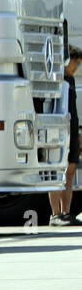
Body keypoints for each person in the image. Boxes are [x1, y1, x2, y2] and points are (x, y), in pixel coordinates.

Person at [49, 45, 81, 226]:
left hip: (72, 130)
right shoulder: (54, 79)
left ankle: (66, 212)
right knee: (55, 173)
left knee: (69, 173)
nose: (76, 67)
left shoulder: (71, 80)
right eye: (75, 62)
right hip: (58, 130)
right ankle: (55, 214)